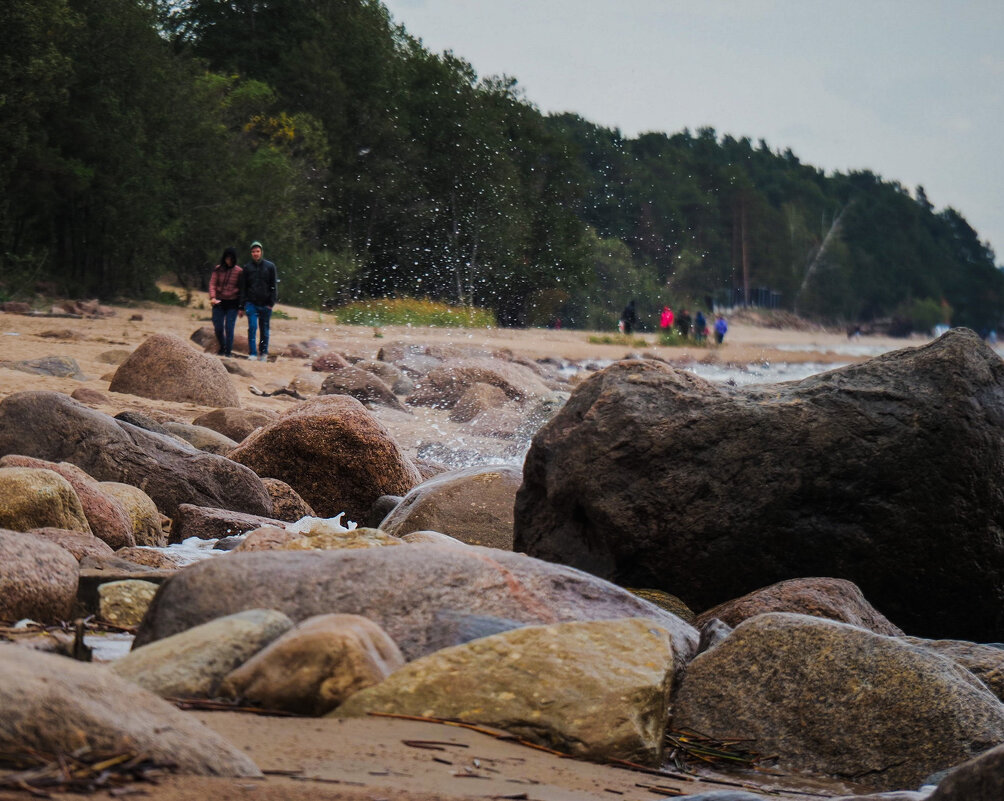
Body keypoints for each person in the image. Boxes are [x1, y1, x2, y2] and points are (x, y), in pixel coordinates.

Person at [239, 240, 278, 361]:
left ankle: (263, 353)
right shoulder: (247, 268)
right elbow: (243, 288)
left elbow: (274, 286)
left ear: (261, 252)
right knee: (252, 327)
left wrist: (271, 303)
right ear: (251, 253)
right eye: (253, 251)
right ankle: (252, 353)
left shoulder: (270, 266)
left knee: (264, 330)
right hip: (251, 304)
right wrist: (241, 306)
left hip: (266, 304)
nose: (255, 253)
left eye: (257, 251)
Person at [208, 247, 242, 357]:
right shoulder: (218, 269)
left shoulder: (239, 271)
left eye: (231, 259)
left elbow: (242, 288)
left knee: (229, 327)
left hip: (233, 303)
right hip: (219, 301)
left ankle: (228, 352)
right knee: (218, 326)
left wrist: (241, 306)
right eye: (227, 258)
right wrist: (212, 297)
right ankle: (222, 346)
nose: (229, 261)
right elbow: (212, 284)